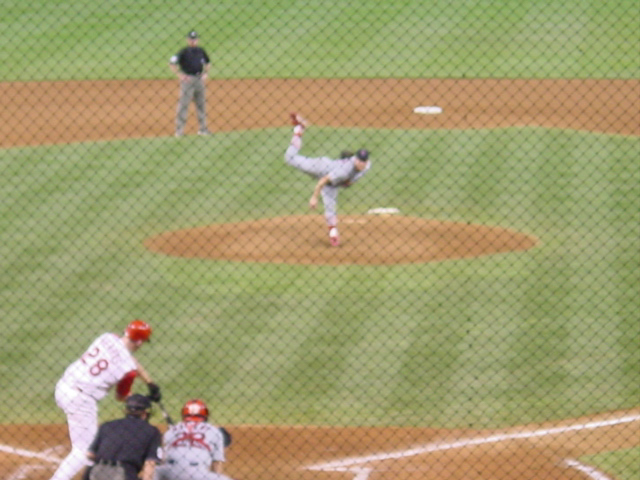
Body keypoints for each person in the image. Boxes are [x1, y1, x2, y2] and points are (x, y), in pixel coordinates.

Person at [50, 320, 162, 480]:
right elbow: (121, 397)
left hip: (63, 387)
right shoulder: (128, 370)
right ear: (139, 342)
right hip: (81, 401)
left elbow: (129, 359)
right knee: (84, 450)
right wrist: (143, 399)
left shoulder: (108, 337)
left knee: (87, 444)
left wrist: (149, 382)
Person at [284, 112, 372, 246]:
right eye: (360, 161)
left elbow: (350, 179)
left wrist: (347, 182)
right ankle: (299, 130)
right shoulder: (344, 171)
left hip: (333, 182)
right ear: (356, 159)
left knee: (330, 207)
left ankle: (333, 234)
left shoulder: (366, 166)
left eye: (364, 161)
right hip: (321, 168)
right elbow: (323, 181)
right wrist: (314, 197)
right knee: (289, 159)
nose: (362, 163)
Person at [83, 394, 163, 480]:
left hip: (97, 473)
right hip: (125, 474)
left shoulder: (107, 425)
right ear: (144, 413)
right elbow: (150, 462)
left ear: (126, 410)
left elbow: (90, 454)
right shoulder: (152, 431)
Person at [154, 399, 234, 480]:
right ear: (205, 415)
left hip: (170, 471)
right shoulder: (214, 431)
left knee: (154, 473)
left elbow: (163, 458)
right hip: (197, 473)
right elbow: (216, 464)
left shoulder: (172, 431)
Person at [169, 30, 211, 137]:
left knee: (201, 105)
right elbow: (172, 63)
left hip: (199, 80)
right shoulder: (183, 51)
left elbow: (208, 62)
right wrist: (179, 75)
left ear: (198, 40)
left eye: (195, 39)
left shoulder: (201, 51)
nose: (193, 41)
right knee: (183, 105)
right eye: (191, 39)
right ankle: (179, 131)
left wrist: (205, 73)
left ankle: (203, 129)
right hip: (188, 81)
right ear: (188, 40)